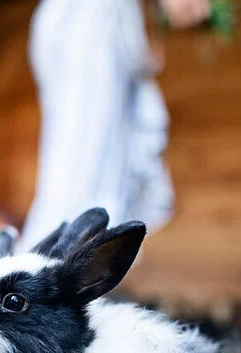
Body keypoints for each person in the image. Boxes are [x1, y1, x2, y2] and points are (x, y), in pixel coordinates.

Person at [19, 0, 211, 251]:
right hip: (89, 21)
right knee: (87, 161)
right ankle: (45, 269)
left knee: (81, 159)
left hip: (75, 22)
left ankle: (53, 265)